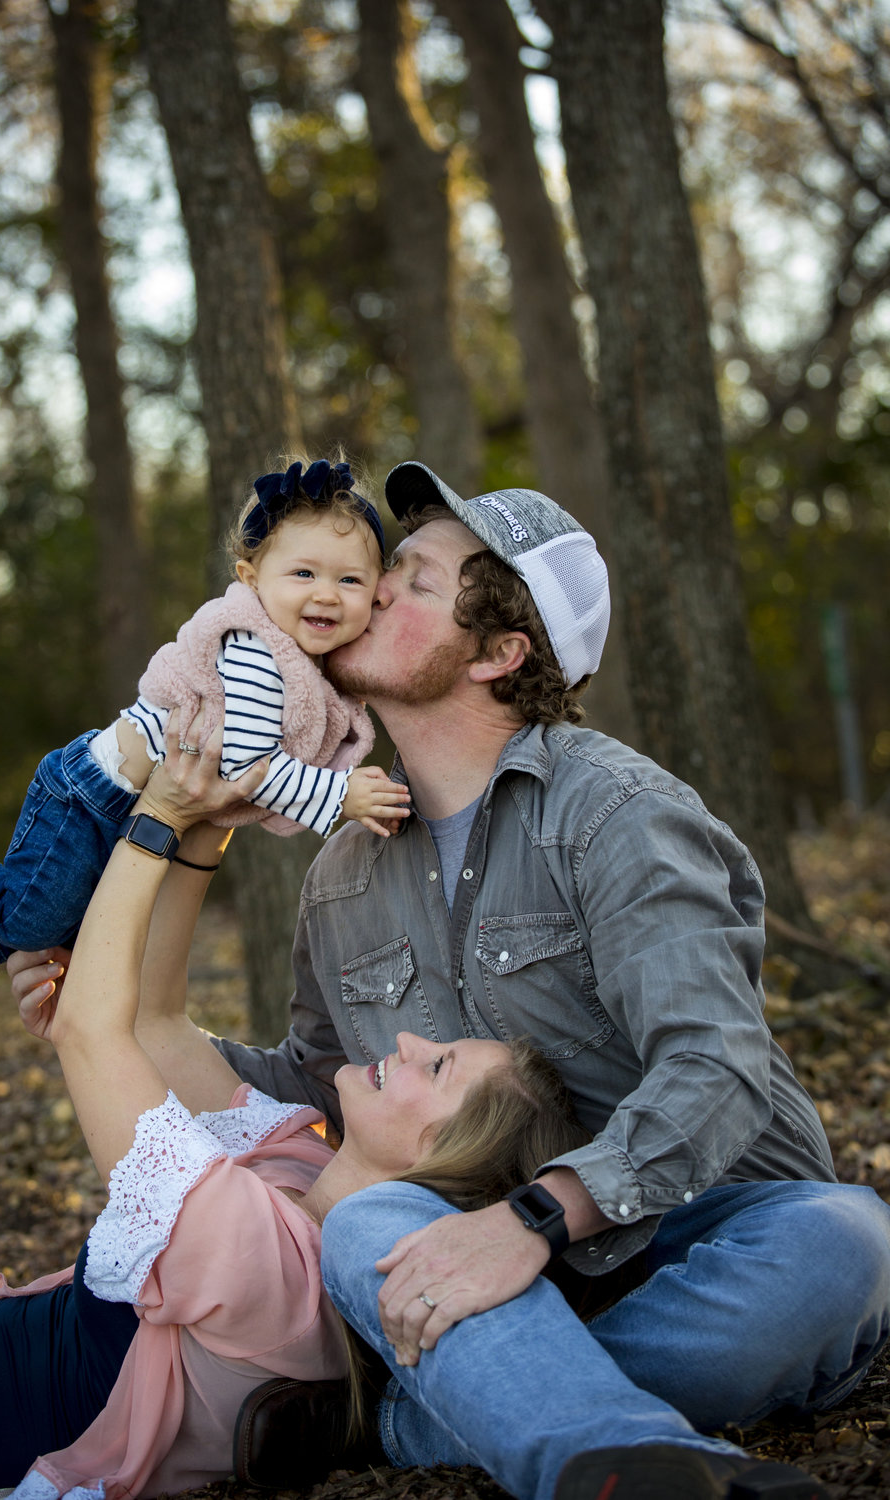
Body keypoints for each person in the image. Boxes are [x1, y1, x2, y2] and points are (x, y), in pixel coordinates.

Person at [190, 461, 890, 1500]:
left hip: (689, 1245)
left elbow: (717, 1067)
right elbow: (311, 1083)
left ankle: (426, 1418)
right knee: (365, 1224)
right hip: (468, 1265)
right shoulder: (344, 866)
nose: (370, 588)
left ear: (501, 654)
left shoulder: (613, 812)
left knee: (847, 1240)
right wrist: (106, 1011)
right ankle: (621, 1455)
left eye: (414, 583)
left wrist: (533, 1221)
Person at [0, 714, 587, 1500]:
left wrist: (160, 814)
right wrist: (205, 836)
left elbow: (98, 1026)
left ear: (448, 1160)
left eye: (442, 1066)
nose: (407, 1039)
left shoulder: (275, 1278)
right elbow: (152, 1020)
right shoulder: (303, 1159)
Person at [0, 457, 411, 1022]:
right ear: (252, 580)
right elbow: (239, 766)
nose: (326, 594)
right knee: (35, 923)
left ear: (375, 594)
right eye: (303, 574)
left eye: (350, 580)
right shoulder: (257, 651)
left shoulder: (299, 660)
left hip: (131, 809)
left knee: (64, 941)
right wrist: (339, 794)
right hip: (91, 796)